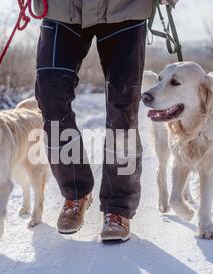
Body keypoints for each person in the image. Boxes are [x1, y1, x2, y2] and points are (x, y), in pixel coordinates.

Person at [34, 0, 179, 243]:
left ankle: (117, 207)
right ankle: (76, 192)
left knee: (123, 107)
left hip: (126, 8)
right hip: (61, 9)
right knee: (51, 96)